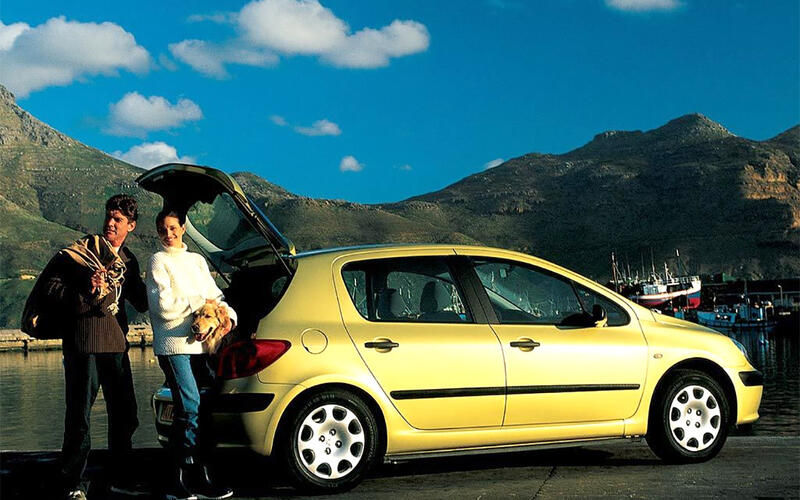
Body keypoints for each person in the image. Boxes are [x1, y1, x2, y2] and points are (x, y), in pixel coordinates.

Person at [40, 195, 149, 499]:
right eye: (108, 216)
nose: (110, 223)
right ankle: (71, 483)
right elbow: (51, 289)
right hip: (83, 344)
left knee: (126, 414)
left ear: (131, 225)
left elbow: (140, 300)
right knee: (79, 417)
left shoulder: (129, 260)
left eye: (118, 219)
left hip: (115, 344)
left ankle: (120, 478)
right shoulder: (80, 253)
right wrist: (85, 289)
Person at [146, 208, 235, 500]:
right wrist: (200, 303)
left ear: (183, 228)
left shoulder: (196, 261)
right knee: (189, 406)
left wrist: (229, 316)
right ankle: (179, 478)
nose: (168, 235)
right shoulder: (157, 261)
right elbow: (163, 307)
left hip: (199, 347)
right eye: (162, 230)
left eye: (172, 228)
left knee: (202, 407)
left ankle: (198, 475)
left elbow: (217, 297)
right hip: (173, 347)